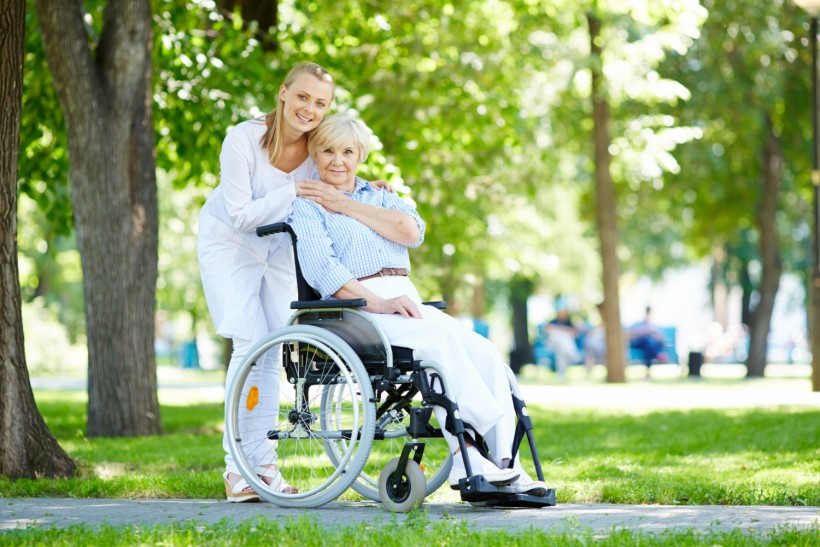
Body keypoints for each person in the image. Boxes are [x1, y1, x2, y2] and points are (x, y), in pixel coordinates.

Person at [288, 114, 547, 496]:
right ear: (314, 152)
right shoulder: (307, 205)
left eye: (347, 151)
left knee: (485, 350)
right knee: (438, 346)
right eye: (327, 150)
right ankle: (468, 454)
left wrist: (344, 204)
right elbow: (322, 268)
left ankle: (506, 462)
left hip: (404, 298)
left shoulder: (381, 195)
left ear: (360, 155)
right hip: (358, 307)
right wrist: (378, 302)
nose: (337, 161)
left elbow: (410, 232)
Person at [197, 63, 398, 503]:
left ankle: (262, 466)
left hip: (278, 247)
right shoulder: (243, 139)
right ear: (283, 92)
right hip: (230, 244)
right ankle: (237, 471)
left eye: (320, 103)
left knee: (275, 347)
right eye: (303, 97)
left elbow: (337, 170)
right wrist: (292, 192)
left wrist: (366, 188)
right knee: (249, 343)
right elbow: (241, 215)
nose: (310, 109)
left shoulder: (315, 146)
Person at [628, 306, 666, 378]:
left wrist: (653, 333)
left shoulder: (654, 325)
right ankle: (658, 355)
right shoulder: (638, 324)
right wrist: (643, 332)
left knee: (649, 342)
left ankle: (656, 355)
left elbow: (660, 338)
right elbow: (631, 334)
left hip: (649, 346)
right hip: (640, 343)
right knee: (647, 340)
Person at [544, 308, 581, 380]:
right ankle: (572, 355)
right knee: (560, 338)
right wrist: (564, 330)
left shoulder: (568, 323)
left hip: (562, 345)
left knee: (561, 353)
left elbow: (575, 333)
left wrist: (558, 329)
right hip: (554, 343)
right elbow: (548, 330)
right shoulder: (553, 322)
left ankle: (561, 375)